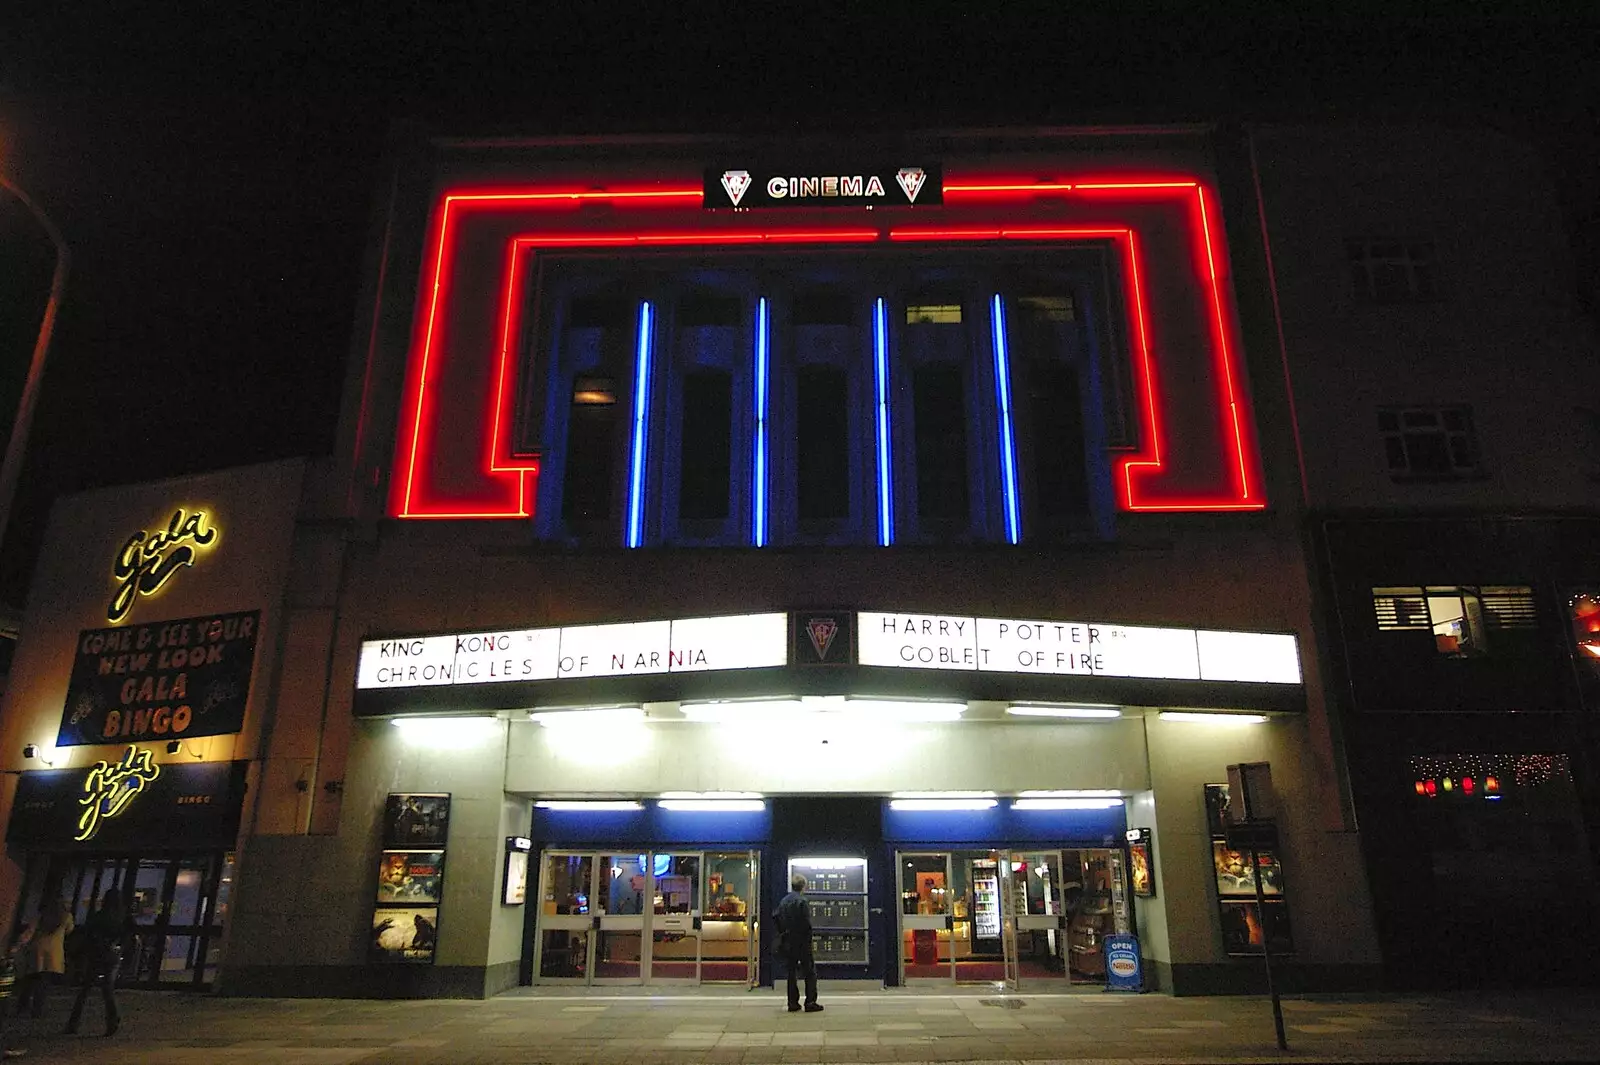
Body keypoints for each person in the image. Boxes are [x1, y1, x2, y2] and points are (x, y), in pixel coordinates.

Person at [65, 889, 125, 1037]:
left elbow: (88, 933)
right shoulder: (123, 918)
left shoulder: (98, 916)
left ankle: (73, 1024)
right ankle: (112, 1021)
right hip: (112, 956)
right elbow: (126, 936)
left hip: (96, 955)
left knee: (85, 990)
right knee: (108, 989)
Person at [774, 873, 821, 1013]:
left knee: (791, 972)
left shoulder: (784, 901)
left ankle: (792, 1002)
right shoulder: (802, 901)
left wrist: (783, 933)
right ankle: (810, 1001)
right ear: (803, 886)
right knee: (809, 971)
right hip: (801, 940)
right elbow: (806, 923)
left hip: (788, 940)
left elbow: (776, 917)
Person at [23, 898, 71, 1019]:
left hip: (37, 949)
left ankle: (22, 1006)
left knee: (31, 979)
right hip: (53, 953)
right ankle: (37, 1010)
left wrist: (20, 944)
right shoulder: (65, 916)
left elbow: (30, 931)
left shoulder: (41, 915)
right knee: (44, 983)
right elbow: (69, 930)